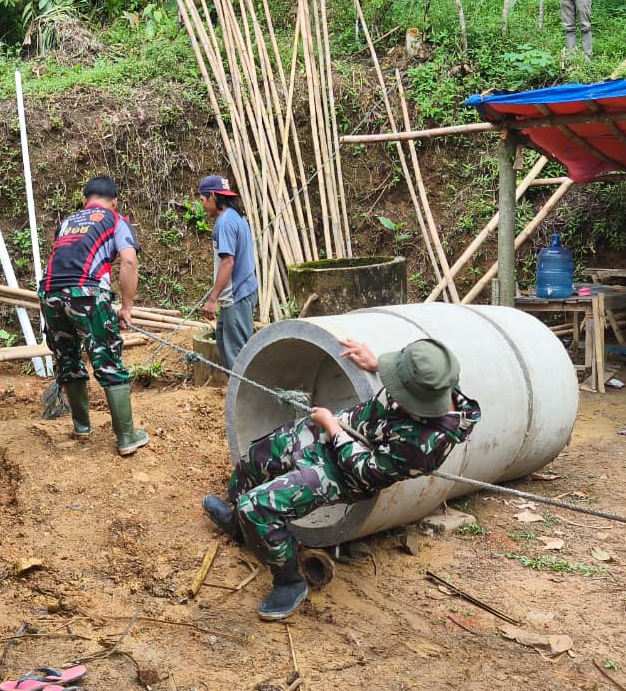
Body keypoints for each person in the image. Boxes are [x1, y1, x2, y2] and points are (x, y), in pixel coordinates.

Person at [202, 338, 481, 621]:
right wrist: (377, 365)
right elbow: (413, 373)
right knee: (258, 456)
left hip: (344, 471)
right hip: (336, 430)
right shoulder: (436, 380)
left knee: (258, 507)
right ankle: (242, 526)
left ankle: (289, 582)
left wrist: (334, 428)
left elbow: (366, 471)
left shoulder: (424, 446)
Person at [39, 176, 149, 456]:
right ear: (115, 201)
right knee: (107, 359)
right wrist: (126, 307)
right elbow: (128, 260)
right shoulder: (114, 219)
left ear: (85, 198)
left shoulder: (67, 222)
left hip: (50, 294)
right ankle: (126, 437)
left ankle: (81, 427)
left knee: (68, 358)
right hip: (86, 293)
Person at [196, 175, 259, 371]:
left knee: (238, 354)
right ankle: (238, 394)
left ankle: (248, 397)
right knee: (225, 343)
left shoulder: (224, 223)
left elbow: (227, 262)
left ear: (213, 196)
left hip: (236, 295)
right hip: (239, 293)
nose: (202, 206)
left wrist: (213, 299)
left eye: (202, 200)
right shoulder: (236, 217)